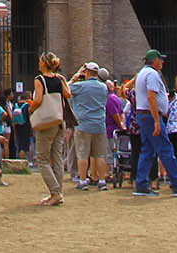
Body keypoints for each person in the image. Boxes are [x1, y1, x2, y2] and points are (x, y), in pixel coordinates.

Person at [133, 48, 177, 197]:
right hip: (150, 115)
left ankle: (141, 183)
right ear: (154, 61)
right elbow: (151, 97)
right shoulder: (153, 74)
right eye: (160, 59)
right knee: (166, 149)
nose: (162, 62)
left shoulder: (142, 73)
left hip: (143, 114)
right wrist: (157, 121)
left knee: (147, 150)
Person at [26, 50, 69, 205]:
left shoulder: (40, 79)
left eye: (40, 61)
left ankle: (55, 192)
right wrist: (63, 79)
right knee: (57, 157)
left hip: (46, 121)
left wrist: (30, 110)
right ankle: (58, 193)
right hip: (59, 120)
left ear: (43, 63)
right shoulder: (58, 79)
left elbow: (37, 100)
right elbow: (67, 94)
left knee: (42, 158)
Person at [70, 62, 113, 190]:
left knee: (82, 154)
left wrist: (75, 77)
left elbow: (65, 89)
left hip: (83, 124)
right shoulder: (103, 87)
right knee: (100, 154)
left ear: (86, 72)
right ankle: (101, 181)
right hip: (99, 124)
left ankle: (83, 181)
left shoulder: (79, 86)